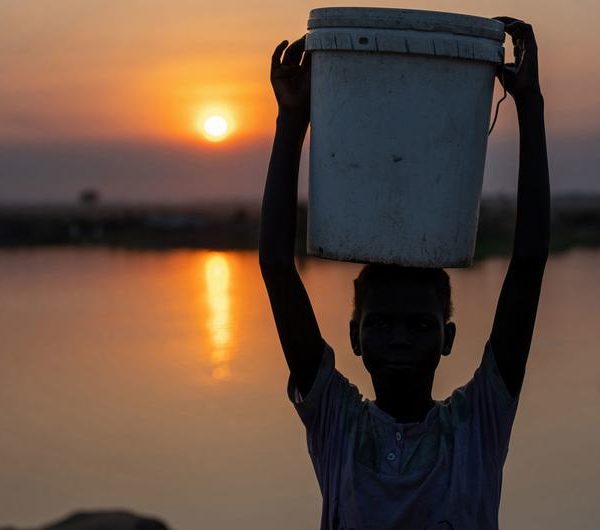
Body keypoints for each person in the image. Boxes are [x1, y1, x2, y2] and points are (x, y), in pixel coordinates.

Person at [259, 14, 549, 530]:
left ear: (448, 338)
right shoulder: (336, 421)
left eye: (420, 326)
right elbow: (278, 268)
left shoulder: (478, 420)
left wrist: (530, 104)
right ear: (353, 336)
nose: (398, 339)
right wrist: (292, 120)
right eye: (381, 324)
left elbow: (527, 267)